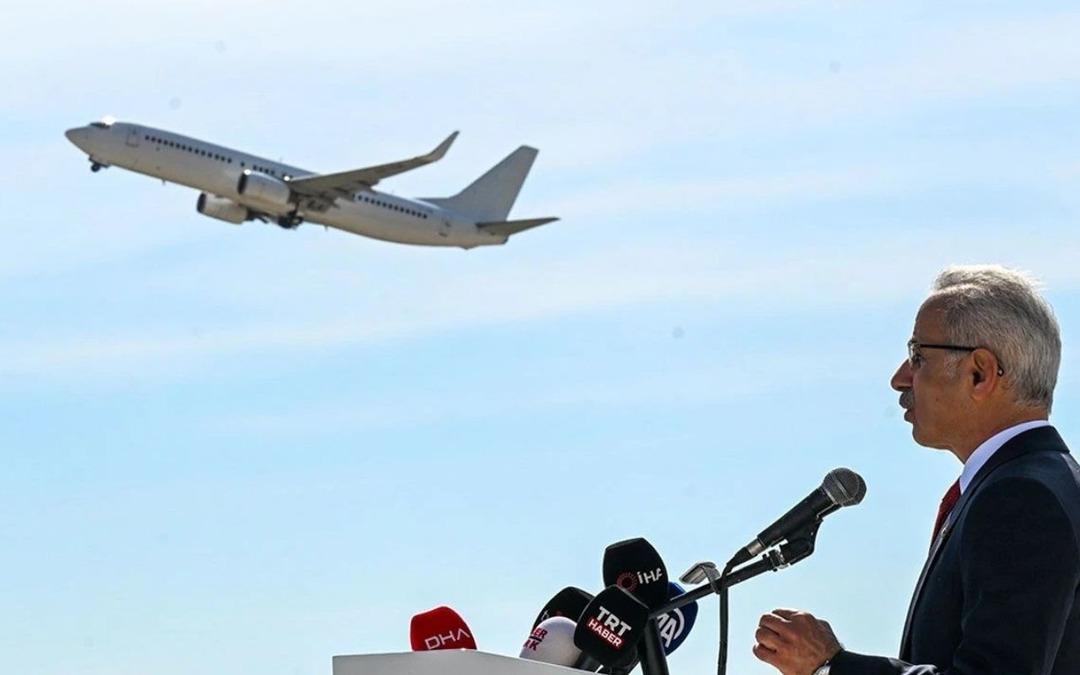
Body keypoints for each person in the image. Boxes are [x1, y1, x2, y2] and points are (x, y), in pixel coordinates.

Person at [752, 265, 1080, 675]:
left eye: (918, 356)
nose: (900, 379)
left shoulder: (1023, 497)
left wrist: (831, 667)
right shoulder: (1035, 483)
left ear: (980, 372)